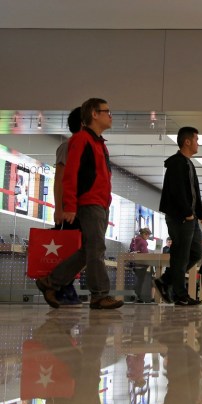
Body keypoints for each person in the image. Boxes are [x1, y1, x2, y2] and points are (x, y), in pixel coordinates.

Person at [35, 98, 123, 310]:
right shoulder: (81, 140)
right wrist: (70, 206)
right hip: (89, 202)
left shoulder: (99, 143)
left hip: (100, 203)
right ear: (94, 114)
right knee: (96, 248)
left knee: (87, 250)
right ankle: (100, 295)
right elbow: (69, 175)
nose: (110, 115)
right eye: (106, 111)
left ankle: (50, 282)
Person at [156, 126, 202, 307]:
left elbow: (192, 192)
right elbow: (177, 191)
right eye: (196, 140)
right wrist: (188, 213)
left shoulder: (188, 163)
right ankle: (179, 294)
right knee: (181, 255)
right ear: (187, 141)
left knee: (195, 253)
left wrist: (198, 213)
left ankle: (165, 281)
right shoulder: (177, 163)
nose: (198, 143)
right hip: (181, 217)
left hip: (190, 217)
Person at [53, 106, 83, 307]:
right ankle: (59, 285)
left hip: (82, 207)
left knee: (80, 247)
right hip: (71, 208)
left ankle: (65, 285)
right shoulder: (68, 146)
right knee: (72, 248)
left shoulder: (84, 146)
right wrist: (59, 208)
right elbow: (60, 179)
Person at [130, 227, 153, 303]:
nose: (148, 238)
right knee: (140, 281)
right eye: (148, 236)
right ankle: (137, 297)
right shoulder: (143, 242)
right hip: (141, 264)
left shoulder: (134, 240)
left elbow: (131, 250)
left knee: (137, 280)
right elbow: (145, 253)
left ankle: (134, 296)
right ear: (145, 234)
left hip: (133, 263)